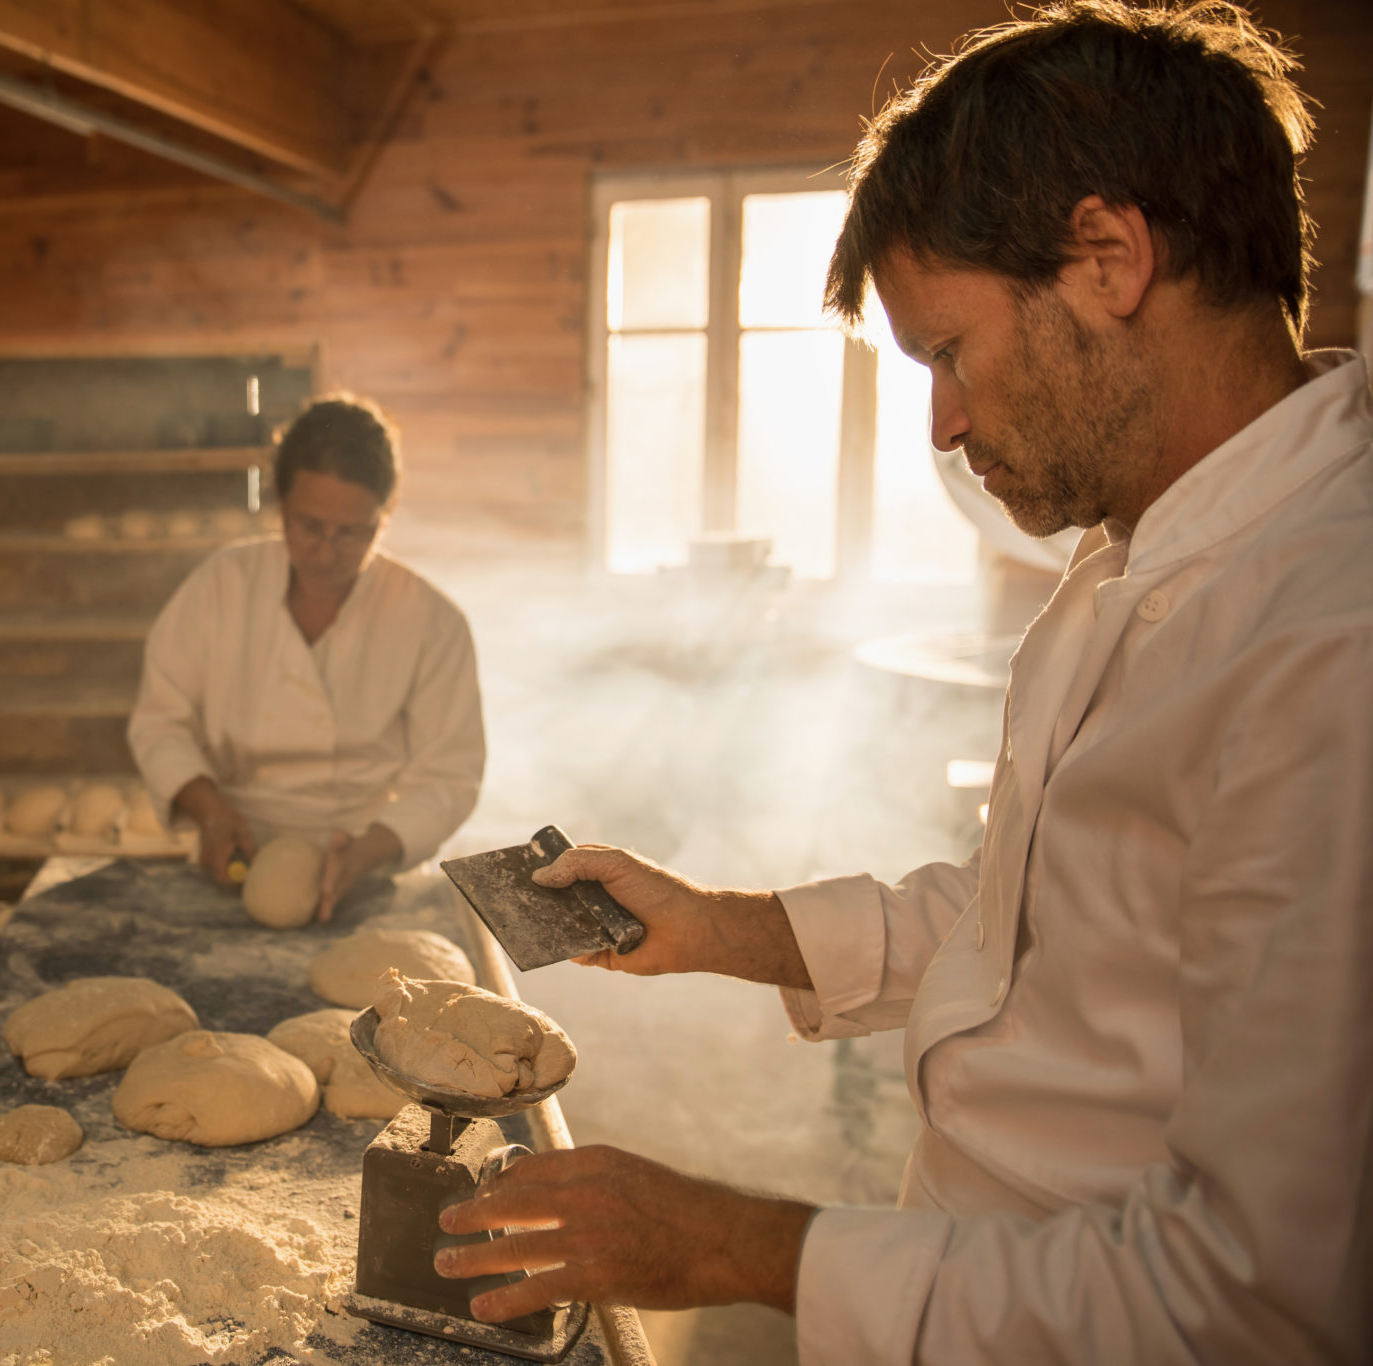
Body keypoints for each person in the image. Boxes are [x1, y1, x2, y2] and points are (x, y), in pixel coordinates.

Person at [435, 3, 1371, 1362]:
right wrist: (720, 926)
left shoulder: (1324, 644)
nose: (939, 421)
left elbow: (1256, 1297)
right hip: (974, 1273)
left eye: (947, 350)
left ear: (1110, 258)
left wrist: (739, 1244)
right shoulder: (1131, 570)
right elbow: (1038, 932)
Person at [128, 395, 486, 919]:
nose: (325, 549)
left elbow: (450, 776)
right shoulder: (221, 588)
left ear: (383, 519)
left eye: (351, 533)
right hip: (233, 853)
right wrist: (209, 812)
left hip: (369, 861)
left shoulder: (431, 621)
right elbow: (161, 721)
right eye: (309, 526)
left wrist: (368, 850)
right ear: (279, 505)